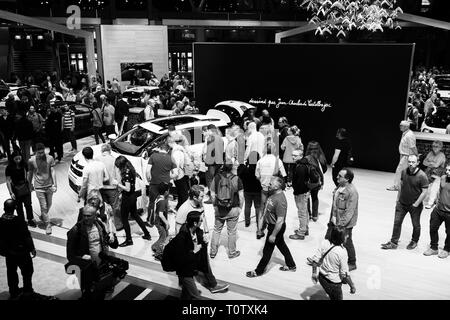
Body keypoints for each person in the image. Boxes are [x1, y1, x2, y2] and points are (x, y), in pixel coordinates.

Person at [66, 205, 120, 300]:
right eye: (84, 215)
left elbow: (111, 243)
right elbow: (70, 254)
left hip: (101, 265)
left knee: (100, 291)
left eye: (89, 216)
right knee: (88, 292)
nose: (86, 218)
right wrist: (81, 258)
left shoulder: (99, 225)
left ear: (95, 215)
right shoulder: (76, 230)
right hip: (87, 268)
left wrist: (112, 238)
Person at [172, 211, 229, 299]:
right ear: (195, 223)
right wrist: (195, 251)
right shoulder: (183, 234)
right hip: (186, 267)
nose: (202, 222)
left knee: (187, 292)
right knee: (195, 295)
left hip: (192, 262)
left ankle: (212, 285)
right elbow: (182, 255)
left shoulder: (196, 230)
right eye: (201, 221)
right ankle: (212, 285)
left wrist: (204, 241)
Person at [246, 177, 296, 277]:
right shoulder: (272, 194)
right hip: (271, 226)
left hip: (276, 228)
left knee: (267, 251)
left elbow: (280, 220)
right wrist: (262, 226)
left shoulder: (281, 200)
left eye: (271, 184)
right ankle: (291, 265)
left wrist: (273, 235)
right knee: (282, 245)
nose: (268, 185)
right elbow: (266, 210)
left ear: (277, 186)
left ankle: (258, 271)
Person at [381, 155, 428, 250]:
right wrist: (398, 199)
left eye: (413, 162)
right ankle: (393, 243)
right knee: (397, 223)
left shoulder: (422, 176)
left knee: (415, 224)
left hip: (414, 205)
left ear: (418, 163)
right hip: (402, 203)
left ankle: (414, 241)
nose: (411, 164)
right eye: (409, 162)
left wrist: (416, 204)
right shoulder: (404, 172)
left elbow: (424, 192)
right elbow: (401, 186)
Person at [0, 199, 37, 300]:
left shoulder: (0, 221)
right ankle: (27, 290)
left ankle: (13, 291)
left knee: (11, 272)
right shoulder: (19, 221)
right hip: (22, 252)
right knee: (27, 271)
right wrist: (32, 248)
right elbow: (26, 236)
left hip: (9, 253)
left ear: (4, 209)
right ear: (15, 209)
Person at [309, 226, 356, 300]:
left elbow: (315, 261)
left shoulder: (324, 242)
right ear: (341, 238)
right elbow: (345, 274)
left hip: (322, 278)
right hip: (334, 284)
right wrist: (352, 286)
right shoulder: (342, 252)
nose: (348, 236)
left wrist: (314, 273)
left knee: (331, 295)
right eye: (346, 235)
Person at [209, 164, 244, 259]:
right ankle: (232, 253)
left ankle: (213, 252)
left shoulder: (216, 178)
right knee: (232, 232)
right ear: (232, 168)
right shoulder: (237, 179)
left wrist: (215, 206)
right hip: (233, 208)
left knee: (216, 230)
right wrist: (240, 208)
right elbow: (241, 196)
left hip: (219, 209)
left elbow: (212, 193)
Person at [115, 156, 151, 247]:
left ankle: (129, 239)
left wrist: (118, 184)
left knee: (124, 218)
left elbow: (127, 188)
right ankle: (146, 233)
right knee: (135, 215)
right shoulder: (130, 169)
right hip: (132, 197)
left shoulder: (126, 174)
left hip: (127, 198)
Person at [329, 168, 359, 271]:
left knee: (347, 242)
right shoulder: (339, 187)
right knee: (329, 238)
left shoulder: (352, 192)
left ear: (347, 179)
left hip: (344, 223)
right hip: (334, 219)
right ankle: (324, 259)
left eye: (340, 176)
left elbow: (349, 211)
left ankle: (352, 263)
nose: (337, 177)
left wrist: (340, 225)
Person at [255, 143, 287, 239]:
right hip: (275, 190)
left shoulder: (260, 161)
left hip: (264, 188)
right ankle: (274, 229)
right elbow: (284, 175)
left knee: (262, 209)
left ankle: (259, 230)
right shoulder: (278, 161)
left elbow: (257, 176)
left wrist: (263, 181)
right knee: (275, 210)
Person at [27, 143, 57, 235]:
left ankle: (43, 216)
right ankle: (48, 225)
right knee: (43, 207)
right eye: (39, 152)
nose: (41, 154)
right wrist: (29, 185)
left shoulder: (50, 158)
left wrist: (55, 184)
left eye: (42, 152)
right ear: (35, 152)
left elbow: (52, 171)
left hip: (49, 186)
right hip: (39, 187)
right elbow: (30, 173)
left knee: (49, 204)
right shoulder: (31, 160)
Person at [146, 139, 177, 225]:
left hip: (154, 183)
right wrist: (168, 177)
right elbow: (176, 173)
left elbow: (148, 171)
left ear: (160, 148)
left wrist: (149, 179)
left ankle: (150, 220)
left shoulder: (153, 156)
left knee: (152, 202)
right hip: (165, 185)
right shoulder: (171, 158)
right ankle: (163, 220)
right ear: (167, 150)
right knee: (164, 202)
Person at [423, 163, 450, 258]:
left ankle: (447, 249)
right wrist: (435, 202)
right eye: (447, 170)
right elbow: (439, 190)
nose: (447, 172)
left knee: (449, 232)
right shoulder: (443, 178)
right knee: (433, 228)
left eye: (449, 170)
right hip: (438, 209)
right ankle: (434, 247)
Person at [5, 150, 35, 227]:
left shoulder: (24, 164)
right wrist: (11, 192)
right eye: (16, 159)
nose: (18, 160)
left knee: (28, 205)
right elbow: (8, 181)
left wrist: (30, 186)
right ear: (12, 159)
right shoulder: (9, 168)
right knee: (18, 207)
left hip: (25, 186)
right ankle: (21, 221)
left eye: (19, 158)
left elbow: (28, 176)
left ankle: (30, 219)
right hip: (15, 188)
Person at [387, 121, 418, 191]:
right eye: (400, 125)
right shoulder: (405, 134)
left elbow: (413, 147)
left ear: (406, 127)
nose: (400, 127)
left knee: (399, 171)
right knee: (404, 172)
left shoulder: (409, 135)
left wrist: (416, 155)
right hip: (404, 155)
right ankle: (402, 186)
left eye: (401, 125)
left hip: (407, 156)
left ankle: (396, 186)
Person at [96, 143, 120, 226]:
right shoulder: (115, 160)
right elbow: (118, 174)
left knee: (103, 206)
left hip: (101, 187)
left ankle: (105, 224)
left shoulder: (96, 159)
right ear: (110, 150)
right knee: (115, 207)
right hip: (112, 187)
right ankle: (118, 225)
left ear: (102, 151)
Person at [289, 149, 311, 240]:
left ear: (301, 156)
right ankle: (305, 229)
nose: (293, 157)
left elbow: (300, 183)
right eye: (292, 155)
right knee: (304, 211)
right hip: (305, 192)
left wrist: (297, 193)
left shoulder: (300, 167)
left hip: (301, 193)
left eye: (295, 155)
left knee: (302, 213)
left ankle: (301, 233)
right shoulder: (304, 164)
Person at [305, 141, 327, 222]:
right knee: (315, 197)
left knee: (306, 198)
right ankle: (315, 216)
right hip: (317, 182)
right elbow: (324, 170)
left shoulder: (307, 158)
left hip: (307, 182)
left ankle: (308, 215)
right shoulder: (321, 158)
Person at [239, 151, 262, 228]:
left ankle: (247, 222)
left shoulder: (245, 168)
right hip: (258, 190)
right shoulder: (259, 168)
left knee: (247, 206)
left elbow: (240, 176)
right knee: (258, 206)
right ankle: (258, 221)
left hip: (247, 189)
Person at [203, 124, 224, 204]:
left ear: (209, 130)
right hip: (219, 162)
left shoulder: (210, 138)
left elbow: (209, 152)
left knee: (210, 180)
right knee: (217, 180)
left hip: (211, 163)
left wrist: (206, 164)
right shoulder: (220, 139)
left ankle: (212, 198)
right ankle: (219, 196)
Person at [422, 140, 446, 209]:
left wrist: (429, 162)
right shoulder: (430, 153)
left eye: (436, 146)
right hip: (428, 173)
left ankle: (430, 203)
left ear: (440, 147)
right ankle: (422, 199)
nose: (434, 148)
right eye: (433, 146)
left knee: (434, 188)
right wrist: (431, 163)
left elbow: (436, 165)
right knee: (424, 186)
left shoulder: (442, 155)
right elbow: (424, 162)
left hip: (438, 174)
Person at [168, 136, 190, 210]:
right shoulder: (179, 149)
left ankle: (183, 208)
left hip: (179, 174)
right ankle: (180, 206)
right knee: (181, 192)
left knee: (182, 193)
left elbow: (176, 165)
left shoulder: (176, 152)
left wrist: (174, 176)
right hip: (182, 172)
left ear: (170, 143)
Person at [151, 182, 171, 259]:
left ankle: (155, 246)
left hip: (159, 221)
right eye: (168, 190)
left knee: (165, 235)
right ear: (166, 192)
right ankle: (158, 254)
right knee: (163, 237)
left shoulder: (159, 197)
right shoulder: (162, 201)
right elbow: (160, 214)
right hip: (160, 222)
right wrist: (167, 223)